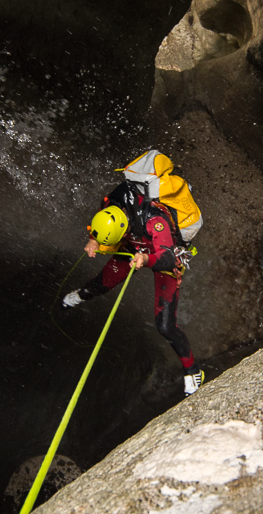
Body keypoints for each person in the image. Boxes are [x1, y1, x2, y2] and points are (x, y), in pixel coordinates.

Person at [63, 165, 204, 395]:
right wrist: (94, 240)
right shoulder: (114, 202)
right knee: (104, 281)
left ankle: (193, 371)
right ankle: (80, 295)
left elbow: (167, 258)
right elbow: (101, 221)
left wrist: (146, 258)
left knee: (165, 326)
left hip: (160, 254)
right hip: (135, 247)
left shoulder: (154, 219)